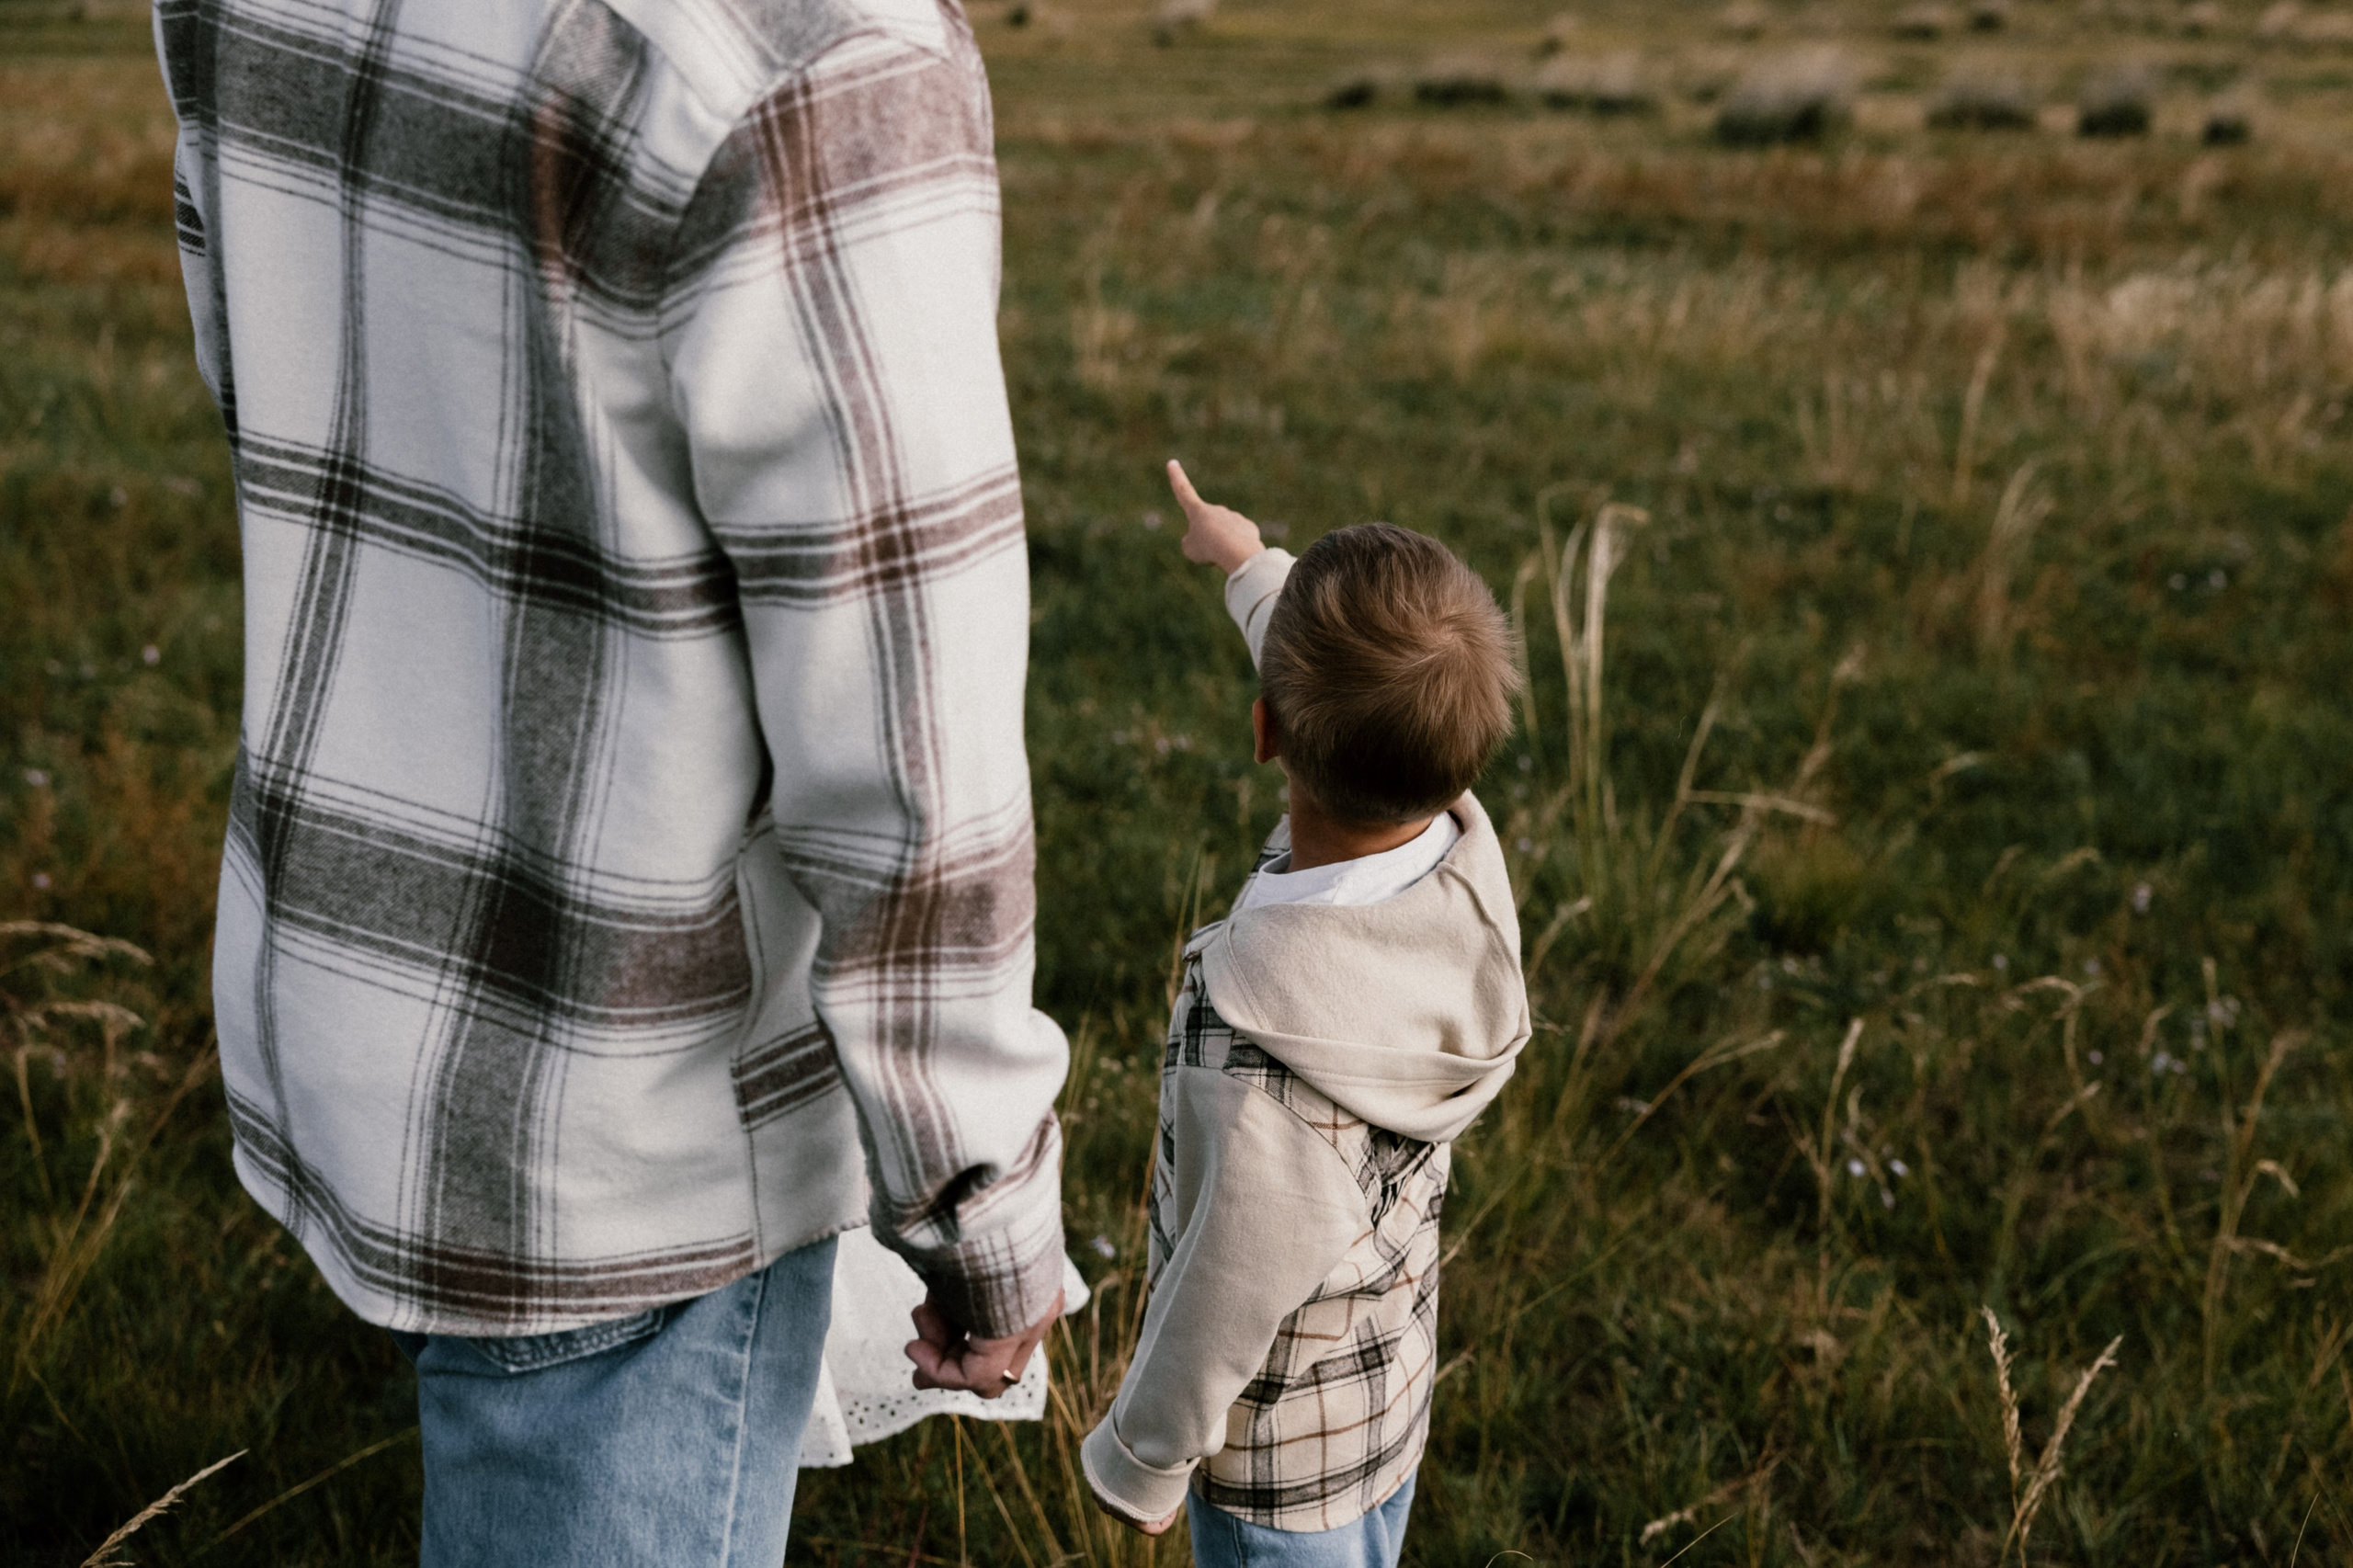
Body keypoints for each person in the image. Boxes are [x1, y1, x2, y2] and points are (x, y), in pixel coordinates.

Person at [153, 0, 1065, 1561]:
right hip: (631, 1122)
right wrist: (980, 1209)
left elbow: (273, 376)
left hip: (345, 998)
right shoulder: (809, 58)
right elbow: (915, 754)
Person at [1078, 462, 1531, 1568]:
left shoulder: (1264, 1053)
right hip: (1383, 1398)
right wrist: (1244, 561)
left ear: (1265, 731)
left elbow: (1220, 1296)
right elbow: (1348, 676)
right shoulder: (1458, 863)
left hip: (1278, 1482)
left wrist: (1141, 1458)